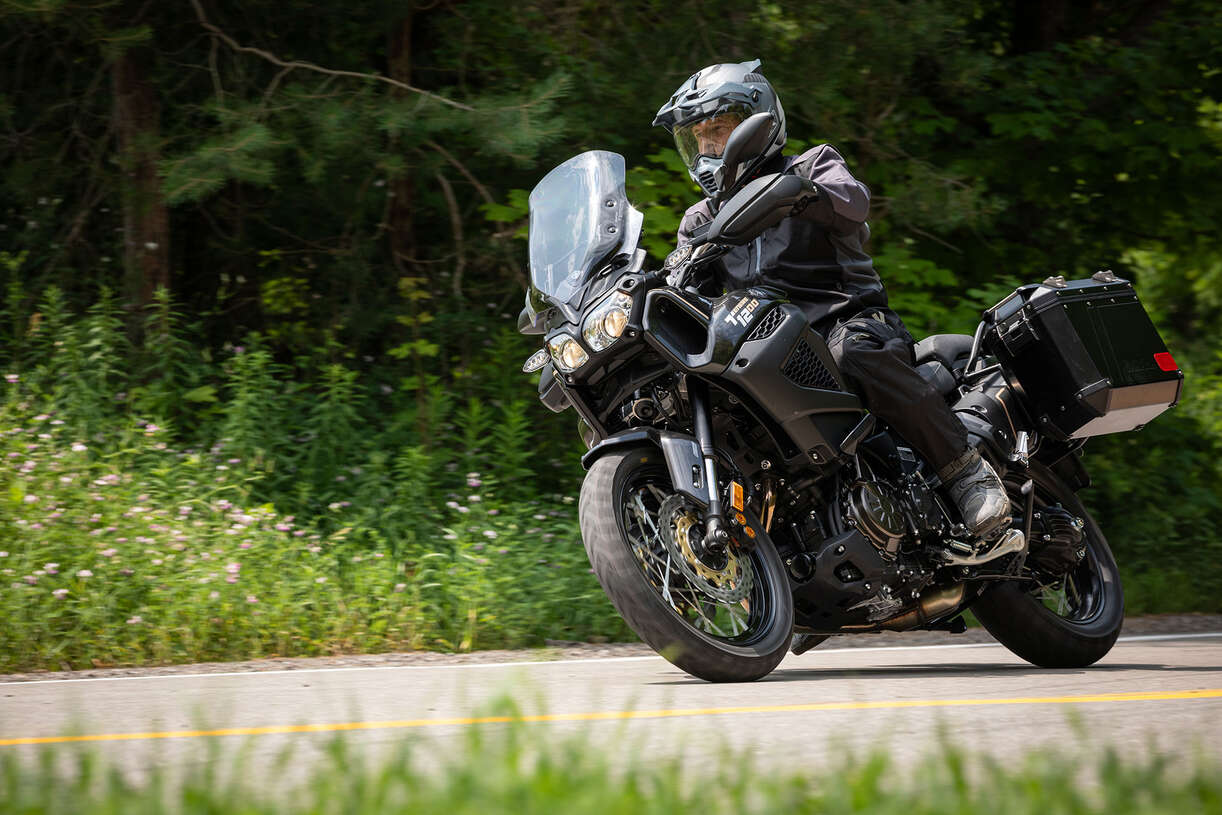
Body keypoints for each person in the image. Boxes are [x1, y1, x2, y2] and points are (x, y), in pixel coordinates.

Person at [653, 59, 1010, 540]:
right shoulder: (698, 222)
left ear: (756, 124)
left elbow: (853, 201)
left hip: (848, 321)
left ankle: (964, 471)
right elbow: (685, 287)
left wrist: (805, 193)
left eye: (719, 130)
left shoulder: (809, 165)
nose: (707, 149)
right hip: (766, 351)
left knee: (853, 352)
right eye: (699, 138)